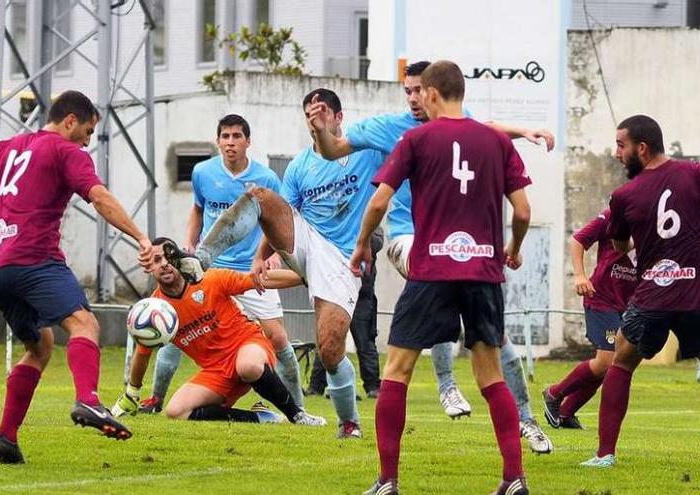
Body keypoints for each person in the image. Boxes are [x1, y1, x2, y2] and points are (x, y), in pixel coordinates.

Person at [310, 60, 553, 454]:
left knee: (500, 341)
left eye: (418, 90)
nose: (412, 98)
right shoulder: (392, 130)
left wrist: (524, 130)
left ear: (433, 92)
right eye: (406, 90)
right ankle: (447, 385)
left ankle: (527, 420)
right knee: (441, 276)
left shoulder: (460, 126)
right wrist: (321, 132)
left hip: (457, 252)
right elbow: (334, 149)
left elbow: (487, 128)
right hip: (409, 240)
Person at [0, 90, 153, 464]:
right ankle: (88, 401)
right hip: (34, 259)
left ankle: (6, 438)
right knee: (85, 324)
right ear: (70, 120)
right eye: (87, 131)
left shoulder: (7, 148)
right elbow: (99, 196)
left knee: (40, 347)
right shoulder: (67, 152)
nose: (88, 141)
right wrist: (140, 237)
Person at [351, 60, 532, 495]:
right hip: (483, 271)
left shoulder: (415, 139)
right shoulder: (495, 142)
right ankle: (513, 479)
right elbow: (523, 211)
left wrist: (361, 245)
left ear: (431, 93)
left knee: (397, 370)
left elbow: (378, 204)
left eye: (421, 95)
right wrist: (513, 249)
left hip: (432, 268)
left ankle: (388, 480)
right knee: (489, 375)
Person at [580, 114, 700, 472]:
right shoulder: (699, 173)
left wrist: (632, 238)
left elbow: (619, 241)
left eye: (620, 145)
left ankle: (604, 455)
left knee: (622, 364)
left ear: (641, 148)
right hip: (697, 295)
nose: (616, 153)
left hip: (651, 297)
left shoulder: (623, 195)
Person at [192, 88, 387, 439]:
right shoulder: (299, 166)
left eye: (323, 111)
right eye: (309, 112)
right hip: (307, 241)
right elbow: (281, 214)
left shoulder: (366, 153)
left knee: (329, 350)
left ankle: (349, 423)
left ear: (339, 118)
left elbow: (394, 185)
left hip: (343, 258)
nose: (315, 117)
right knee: (261, 196)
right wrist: (259, 257)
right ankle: (202, 256)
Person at [135, 114, 304, 415]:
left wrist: (270, 255)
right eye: (225, 136)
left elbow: (276, 220)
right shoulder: (203, 172)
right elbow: (198, 210)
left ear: (247, 141)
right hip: (210, 270)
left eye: (236, 136)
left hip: (248, 268)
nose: (230, 142)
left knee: (277, 336)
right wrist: (191, 244)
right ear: (218, 141)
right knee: (172, 331)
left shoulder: (265, 178)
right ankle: (156, 399)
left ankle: (297, 407)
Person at [113, 239, 326, 426]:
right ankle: (261, 418)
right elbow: (142, 353)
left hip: (248, 347)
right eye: (157, 260)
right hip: (216, 371)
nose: (165, 264)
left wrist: (307, 278)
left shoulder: (210, 280)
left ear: (179, 259)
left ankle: (298, 415)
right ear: (148, 267)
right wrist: (132, 392)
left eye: (169, 257)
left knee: (248, 366)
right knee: (176, 411)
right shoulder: (157, 310)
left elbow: (262, 279)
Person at [541, 208, 637, 429]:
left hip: (629, 304)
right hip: (602, 298)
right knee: (607, 361)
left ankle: (566, 412)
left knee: (612, 366)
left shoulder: (658, 222)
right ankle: (554, 393)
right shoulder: (615, 214)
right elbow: (578, 240)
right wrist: (580, 275)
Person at [308, 227, 384, 399]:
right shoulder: (336, 225)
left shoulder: (371, 226)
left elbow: (377, 242)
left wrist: (356, 235)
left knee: (365, 341)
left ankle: (372, 386)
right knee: (327, 339)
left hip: (362, 293)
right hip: (335, 291)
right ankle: (316, 386)